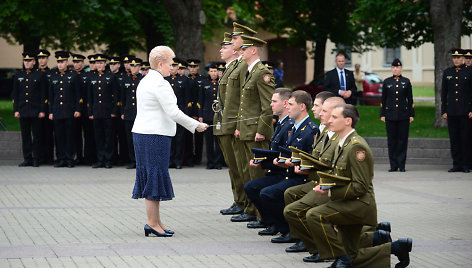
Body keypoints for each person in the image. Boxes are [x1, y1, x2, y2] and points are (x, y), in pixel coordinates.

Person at [306, 104, 412, 267]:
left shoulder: (356, 147)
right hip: (349, 202)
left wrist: (330, 193)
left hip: (359, 204)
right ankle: (396, 247)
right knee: (353, 254)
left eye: (335, 117)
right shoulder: (344, 143)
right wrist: (326, 184)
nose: (330, 120)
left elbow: (360, 186)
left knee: (315, 215)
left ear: (347, 121)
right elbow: (340, 177)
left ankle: (341, 258)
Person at [131, 46, 207, 237]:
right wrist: (195, 125)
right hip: (154, 135)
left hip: (145, 133)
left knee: (152, 176)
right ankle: (151, 223)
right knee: (153, 177)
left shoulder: (147, 79)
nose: (172, 68)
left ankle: (156, 222)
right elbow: (173, 112)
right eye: (171, 64)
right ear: (160, 64)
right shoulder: (160, 83)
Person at [244, 90, 318, 243]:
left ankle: (288, 229)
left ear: (302, 106)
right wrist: (264, 162)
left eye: (290, 104)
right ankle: (279, 225)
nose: (287, 107)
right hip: (289, 173)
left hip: (298, 177)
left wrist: (293, 164)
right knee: (254, 188)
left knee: (268, 193)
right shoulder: (294, 127)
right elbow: (283, 154)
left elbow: (310, 160)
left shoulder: (310, 130)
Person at [231, 34, 275, 223]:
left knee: (258, 173)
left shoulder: (262, 72)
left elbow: (268, 106)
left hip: (256, 132)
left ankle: (263, 215)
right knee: (248, 172)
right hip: (247, 130)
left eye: (244, 49)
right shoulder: (250, 71)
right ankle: (253, 210)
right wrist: (240, 127)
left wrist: (262, 130)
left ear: (253, 50)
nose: (241, 52)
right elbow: (245, 106)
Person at [215, 25, 257, 218]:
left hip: (235, 124)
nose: (231, 42)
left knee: (241, 167)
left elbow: (243, 99)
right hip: (226, 122)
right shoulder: (233, 66)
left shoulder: (242, 67)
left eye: (235, 39)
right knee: (234, 166)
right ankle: (239, 201)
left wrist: (238, 124)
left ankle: (246, 204)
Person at [12, 52, 47, 167]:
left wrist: (42, 110)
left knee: (37, 136)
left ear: (34, 62)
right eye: (25, 61)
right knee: (25, 136)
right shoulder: (18, 75)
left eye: (29, 61)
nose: (27, 63)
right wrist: (16, 110)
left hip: (36, 111)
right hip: (23, 110)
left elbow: (43, 94)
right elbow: (15, 94)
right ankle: (27, 159)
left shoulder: (39, 75)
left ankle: (36, 158)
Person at [48, 51, 82, 168]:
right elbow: (50, 97)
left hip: (69, 111)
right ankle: (61, 158)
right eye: (58, 62)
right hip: (57, 111)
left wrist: (78, 109)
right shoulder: (54, 76)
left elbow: (78, 95)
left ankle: (69, 159)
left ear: (67, 62)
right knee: (59, 136)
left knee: (69, 136)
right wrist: (50, 111)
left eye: (62, 62)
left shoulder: (73, 76)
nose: (60, 64)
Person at [380, 59, 414, 172]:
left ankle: (402, 164)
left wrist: (411, 114)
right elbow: (383, 100)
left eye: (397, 67)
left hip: (403, 115)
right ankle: (393, 165)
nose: (395, 69)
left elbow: (410, 99)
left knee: (402, 140)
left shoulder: (406, 81)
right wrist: (382, 114)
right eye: (394, 67)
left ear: (401, 69)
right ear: (391, 69)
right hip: (390, 115)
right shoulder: (387, 82)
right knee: (392, 140)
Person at [441, 49, 472, 173]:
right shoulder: (447, 72)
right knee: (454, 139)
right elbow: (444, 93)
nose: (457, 60)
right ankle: (456, 164)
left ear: (463, 59)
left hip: (465, 112)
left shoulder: (469, 72)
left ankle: (465, 164)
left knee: (465, 139)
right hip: (452, 111)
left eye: (459, 57)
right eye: (455, 58)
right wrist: (444, 110)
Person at [87, 54, 119, 169]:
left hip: (108, 112)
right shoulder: (92, 77)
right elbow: (89, 97)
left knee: (109, 137)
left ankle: (108, 160)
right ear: (95, 64)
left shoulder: (110, 77)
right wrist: (90, 112)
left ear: (105, 64)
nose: (99, 65)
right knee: (98, 137)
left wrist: (114, 111)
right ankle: (100, 159)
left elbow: (116, 96)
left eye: (101, 63)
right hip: (96, 112)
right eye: (97, 63)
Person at [71, 53, 96, 165]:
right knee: (75, 135)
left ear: (82, 63)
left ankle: (88, 157)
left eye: (78, 62)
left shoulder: (88, 75)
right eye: (75, 62)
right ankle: (78, 157)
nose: (76, 64)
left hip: (86, 110)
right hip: (75, 110)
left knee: (88, 134)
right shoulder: (70, 75)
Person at [166, 58, 191, 169]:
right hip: (167, 112)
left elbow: (187, 99)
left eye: (175, 66)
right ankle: (169, 159)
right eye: (170, 66)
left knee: (179, 138)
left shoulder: (184, 80)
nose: (172, 68)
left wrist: (186, 113)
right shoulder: (164, 79)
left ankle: (177, 160)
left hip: (179, 111)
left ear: (178, 67)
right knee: (169, 136)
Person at [198, 62, 224, 169]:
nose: (214, 73)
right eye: (212, 71)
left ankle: (218, 162)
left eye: (215, 71)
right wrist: (200, 115)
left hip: (218, 115)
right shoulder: (204, 83)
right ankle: (210, 162)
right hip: (207, 115)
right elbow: (200, 100)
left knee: (218, 141)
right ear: (208, 72)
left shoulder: (222, 84)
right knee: (208, 141)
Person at [121, 57, 143, 169]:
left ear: (139, 67)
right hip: (129, 112)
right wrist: (122, 111)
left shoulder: (143, 79)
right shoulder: (126, 79)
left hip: (140, 113)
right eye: (132, 66)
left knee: (140, 138)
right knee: (130, 138)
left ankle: (141, 160)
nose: (133, 68)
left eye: (136, 66)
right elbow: (122, 98)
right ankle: (133, 160)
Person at [37, 49, 55, 165]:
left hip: (49, 108)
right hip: (37, 109)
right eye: (39, 58)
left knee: (49, 134)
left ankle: (49, 157)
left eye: (43, 58)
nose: (41, 60)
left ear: (48, 59)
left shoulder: (52, 74)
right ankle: (39, 157)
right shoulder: (35, 73)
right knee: (38, 134)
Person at [187, 58, 205, 165]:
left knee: (199, 137)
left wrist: (198, 114)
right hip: (188, 111)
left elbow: (201, 98)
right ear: (188, 68)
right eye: (191, 67)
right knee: (188, 136)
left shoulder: (202, 80)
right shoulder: (186, 79)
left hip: (198, 111)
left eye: (194, 67)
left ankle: (198, 157)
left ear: (198, 67)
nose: (192, 69)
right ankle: (189, 158)